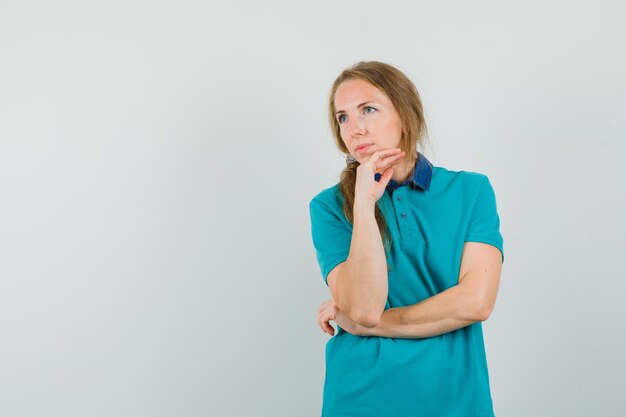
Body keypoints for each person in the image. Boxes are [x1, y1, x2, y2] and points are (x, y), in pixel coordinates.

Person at [308, 61, 504, 417]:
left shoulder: (471, 190)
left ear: (405, 112)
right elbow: (365, 307)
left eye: (368, 109)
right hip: (360, 399)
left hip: (454, 398)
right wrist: (365, 204)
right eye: (343, 117)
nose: (355, 128)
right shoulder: (328, 207)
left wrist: (368, 323)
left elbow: (476, 303)